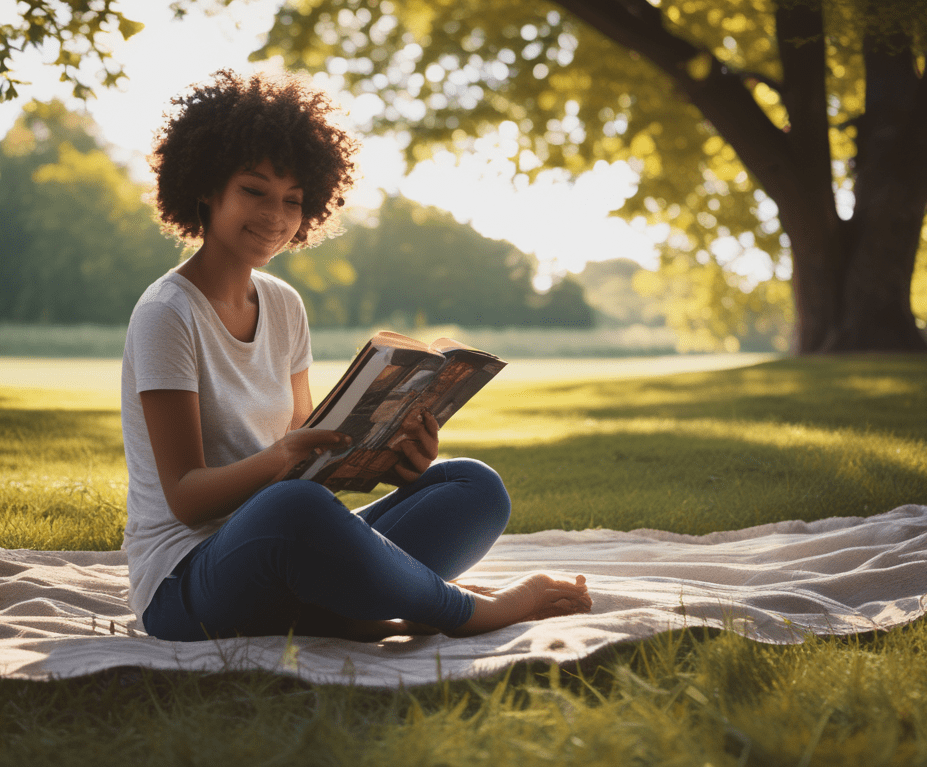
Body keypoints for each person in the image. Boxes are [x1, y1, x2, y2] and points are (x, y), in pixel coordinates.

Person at [121, 68, 591, 642]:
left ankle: (358, 606)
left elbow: (309, 465)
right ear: (204, 187)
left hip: (290, 542)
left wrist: (395, 459)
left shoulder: (285, 306)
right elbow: (188, 498)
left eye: (293, 199)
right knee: (295, 510)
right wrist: (281, 460)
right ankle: (469, 610)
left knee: (471, 485)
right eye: (254, 190)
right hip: (187, 585)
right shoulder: (167, 313)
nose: (275, 216)